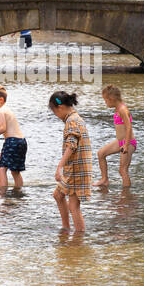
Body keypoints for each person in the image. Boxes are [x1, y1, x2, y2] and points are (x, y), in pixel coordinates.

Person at [50, 91, 92, 232]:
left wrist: (59, 167)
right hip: (76, 168)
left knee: (74, 206)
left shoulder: (72, 121)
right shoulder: (75, 118)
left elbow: (71, 145)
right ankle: (66, 228)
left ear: (60, 108)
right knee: (58, 195)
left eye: (55, 112)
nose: (56, 116)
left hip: (76, 170)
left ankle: (79, 237)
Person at [96, 84, 136, 188]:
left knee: (122, 170)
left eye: (106, 100)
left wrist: (126, 145)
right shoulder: (118, 109)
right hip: (120, 142)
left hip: (128, 143)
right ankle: (104, 180)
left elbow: (129, 127)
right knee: (101, 154)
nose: (105, 103)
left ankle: (126, 195)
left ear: (112, 98)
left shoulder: (123, 110)